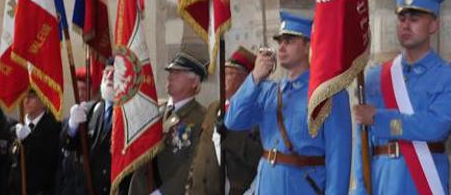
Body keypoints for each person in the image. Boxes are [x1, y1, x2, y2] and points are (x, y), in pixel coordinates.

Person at [351, 0, 451, 194]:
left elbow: (434, 126)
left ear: (433, 25)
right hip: (381, 181)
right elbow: (363, 143)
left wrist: (379, 118)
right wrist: (360, 189)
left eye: (414, 19)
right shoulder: (375, 76)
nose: (406, 25)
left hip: (421, 183)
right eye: (402, 18)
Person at [225, 11, 352, 194]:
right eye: (280, 42)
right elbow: (233, 120)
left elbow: (339, 159)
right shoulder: (269, 91)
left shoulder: (328, 94)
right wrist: (254, 78)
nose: (282, 47)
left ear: (308, 46)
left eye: (290, 41)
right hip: (267, 186)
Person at [128, 52, 206, 195]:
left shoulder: (201, 118)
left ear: (195, 82)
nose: (170, 76)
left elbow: (193, 164)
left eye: (177, 73)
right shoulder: (155, 112)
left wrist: (163, 192)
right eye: (170, 72)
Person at [188, 46, 261, 195]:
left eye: (230, 73)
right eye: (223, 72)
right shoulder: (214, 108)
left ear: (247, 79)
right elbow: (200, 149)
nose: (223, 78)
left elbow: (256, 154)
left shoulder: (256, 112)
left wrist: (229, 134)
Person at [61, 58, 128, 195]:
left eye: (114, 74)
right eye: (106, 73)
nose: (108, 77)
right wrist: (72, 127)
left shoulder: (129, 114)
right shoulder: (90, 110)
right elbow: (68, 145)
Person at [9, 89, 61, 195]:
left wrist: (28, 139)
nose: (26, 101)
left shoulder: (54, 127)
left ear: (44, 99)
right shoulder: (15, 128)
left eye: (32, 97)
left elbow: (47, 159)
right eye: (25, 96)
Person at [55, 68, 98, 195]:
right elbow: (63, 148)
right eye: (78, 89)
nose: (80, 94)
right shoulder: (68, 121)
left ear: (93, 91)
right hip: (70, 187)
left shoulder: (97, 118)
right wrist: (72, 126)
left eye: (85, 89)